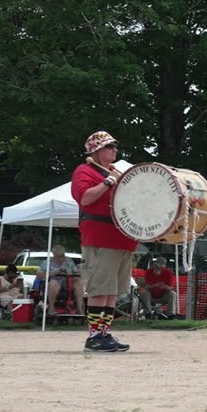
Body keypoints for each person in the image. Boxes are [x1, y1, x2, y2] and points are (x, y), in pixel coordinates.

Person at [71, 131, 135, 352]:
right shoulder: (85, 170)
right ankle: (94, 335)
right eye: (110, 147)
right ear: (96, 151)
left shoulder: (113, 172)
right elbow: (85, 198)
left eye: (115, 147)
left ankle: (105, 333)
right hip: (100, 237)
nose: (115, 150)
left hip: (122, 239)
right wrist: (108, 182)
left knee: (111, 291)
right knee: (100, 289)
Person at [36, 245, 84, 316]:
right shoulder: (48, 262)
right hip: (55, 280)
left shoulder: (68, 261)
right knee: (53, 283)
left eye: (63, 255)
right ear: (54, 255)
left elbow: (75, 272)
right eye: (60, 256)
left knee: (78, 283)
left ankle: (80, 310)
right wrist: (54, 273)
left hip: (68, 281)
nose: (62, 258)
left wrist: (75, 272)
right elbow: (39, 273)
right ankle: (51, 309)